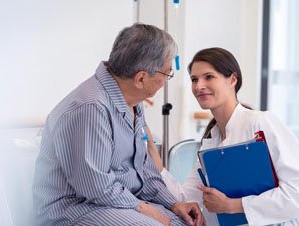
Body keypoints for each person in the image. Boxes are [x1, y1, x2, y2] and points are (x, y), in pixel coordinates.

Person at [32, 23, 204, 226]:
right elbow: (95, 186)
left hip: (113, 202)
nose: (166, 80)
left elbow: (144, 170)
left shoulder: (133, 103)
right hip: (73, 208)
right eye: (166, 74)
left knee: (187, 223)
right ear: (141, 78)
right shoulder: (90, 108)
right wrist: (142, 208)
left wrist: (173, 204)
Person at [148, 47, 299, 226]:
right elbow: (187, 199)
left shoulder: (261, 122)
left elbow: (298, 193)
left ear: (232, 79)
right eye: (194, 79)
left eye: (209, 77)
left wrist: (233, 205)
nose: (199, 86)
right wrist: (157, 163)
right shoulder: (210, 143)